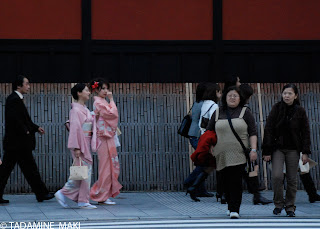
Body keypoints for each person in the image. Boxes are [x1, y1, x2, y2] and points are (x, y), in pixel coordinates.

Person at [0, 75, 54, 204]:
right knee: (28, 169)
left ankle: (42, 193)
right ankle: (42, 193)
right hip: (17, 143)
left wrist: (36, 128)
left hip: (16, 144)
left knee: (10, 171)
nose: (28, 86)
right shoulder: (14, 99)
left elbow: (25, 120)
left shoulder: (16, 99)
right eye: (27, 84)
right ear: (19, 86)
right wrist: (26, 131)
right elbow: (16, 120)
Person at [207, 86, 258, 219]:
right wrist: (209, 146)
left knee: (235, 181)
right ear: (225, 97)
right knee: (224, 182)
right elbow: (209, 132)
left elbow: (253, 132)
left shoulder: (245, 112)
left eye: (235, 95)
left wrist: (253, 149)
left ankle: (235, 209)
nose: (232, 98)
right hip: (220, 154)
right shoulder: (218, 112)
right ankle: (230, 205)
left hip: (239, 153)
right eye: (229, 95)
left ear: (240, 98)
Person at [263, 84, 311, 217]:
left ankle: (290, 206)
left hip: (293, 149)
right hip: (277, 148)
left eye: (290, 93)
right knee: (277, 176)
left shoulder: (300, 111)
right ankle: (278, 204)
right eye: (285, 93)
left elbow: (305, 132)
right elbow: (268, 129)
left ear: (295, 96)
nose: (287, 96)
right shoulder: (276, 108)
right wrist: (266, 151)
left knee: (292, 178)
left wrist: (305, 152)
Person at [55, 83, 97, 209]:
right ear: (79, 93)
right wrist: (76, 147)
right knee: (84, 172)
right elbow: (74, 129)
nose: (88, 93)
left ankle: (79, 199)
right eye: (86, 90)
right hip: (80, 143)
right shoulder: (76, 110)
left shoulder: (83, 109)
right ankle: (68, 194)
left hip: (85, 141)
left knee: (83, 172)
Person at [185, 83, 221, 201]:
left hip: (198, 134)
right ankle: (190, 182)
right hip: (200, 135)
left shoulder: (199, 103)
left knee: (206, 163)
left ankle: (198, 189)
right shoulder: (210, 105)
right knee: (205, 163)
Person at [89, 79, 122, 205]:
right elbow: (112, 114)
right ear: (96, 89)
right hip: (103, 137)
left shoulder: (102, 101)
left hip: (108, 137)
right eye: (102, 88)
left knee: (111, 166)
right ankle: (100, 195)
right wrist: (112, 99)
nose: (105, 91)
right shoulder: (98, 102)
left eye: (106, 88)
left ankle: (104, 194)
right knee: (105, 168)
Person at [239, 84, 272, 205]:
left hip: (234, 146)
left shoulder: (232, 109)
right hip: (245, 146)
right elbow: (252, 131)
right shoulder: (245, 110)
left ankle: (223, 195)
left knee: (246, 170)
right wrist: (253, 148)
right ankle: (256, 195)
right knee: (252, 169)